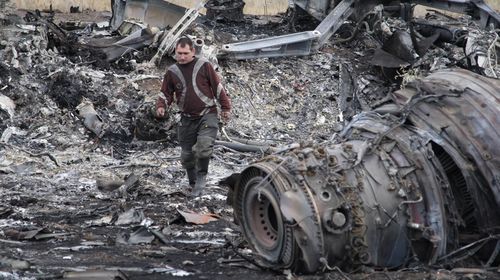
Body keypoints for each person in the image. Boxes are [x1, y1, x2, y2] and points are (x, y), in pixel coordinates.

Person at [156, 37, 231, 197]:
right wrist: (161, 106)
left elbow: (217, 87)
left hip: (207, 114)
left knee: (203, 148)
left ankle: (202, 177)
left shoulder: (204, 65)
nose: (182, 57)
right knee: (186, 155)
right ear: (175, 52)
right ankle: (192, 182)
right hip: (186, 119)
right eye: (179, 53)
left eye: (185, 53)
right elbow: (165, 93)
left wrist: (225, 107)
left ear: (192, 52)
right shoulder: (172, 72)